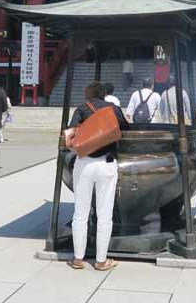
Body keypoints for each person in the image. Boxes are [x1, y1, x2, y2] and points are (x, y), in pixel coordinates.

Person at [65, 81, 129, 271]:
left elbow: (69, 136)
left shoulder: (82, 109)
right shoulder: (113, 108)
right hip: (106, 164)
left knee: (80, 213)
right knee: (105, 214)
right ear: (104, 95)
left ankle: (78, 259)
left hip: (83, 164)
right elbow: (125, 128)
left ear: (87, 94)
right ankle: (101, 261)